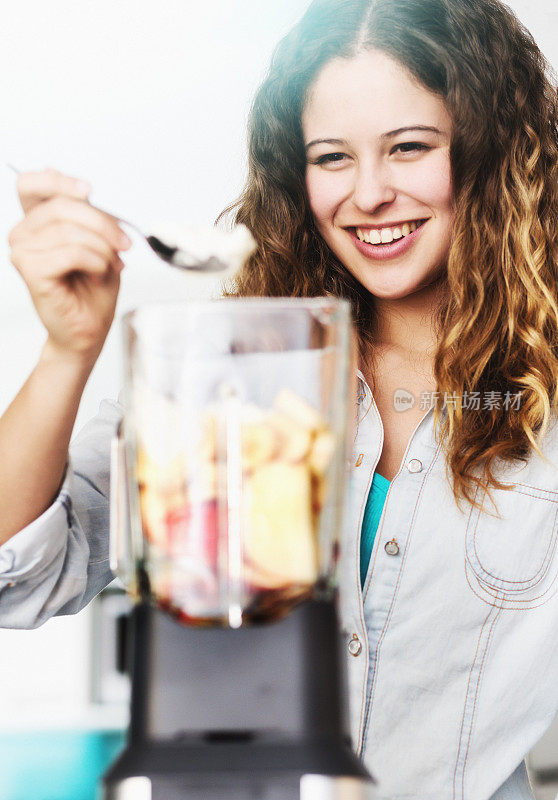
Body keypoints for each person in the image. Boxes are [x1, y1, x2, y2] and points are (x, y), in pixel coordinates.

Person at [1, 0, 558, 796]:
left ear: (491, 151)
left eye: (408, 147)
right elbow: (18, 576)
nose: (368, 194)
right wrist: (68, 350)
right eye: (332, 157)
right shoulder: (219, 364)